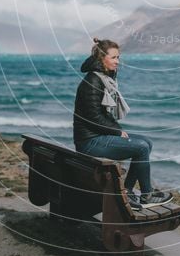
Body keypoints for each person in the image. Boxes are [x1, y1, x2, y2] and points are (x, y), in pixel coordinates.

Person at [73, 37, 173, 210]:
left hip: (98, 136)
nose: (117, 61)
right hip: (89, 142)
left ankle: (125, 190)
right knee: (141, 147)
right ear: (101, 59)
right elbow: (93, 117)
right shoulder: (93, 82)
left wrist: (117, 130)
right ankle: (147, 195)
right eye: (113, 57)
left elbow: (102, 114)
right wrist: (117, 132)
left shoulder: (103, 78)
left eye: (118, 57)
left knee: (146, 143)